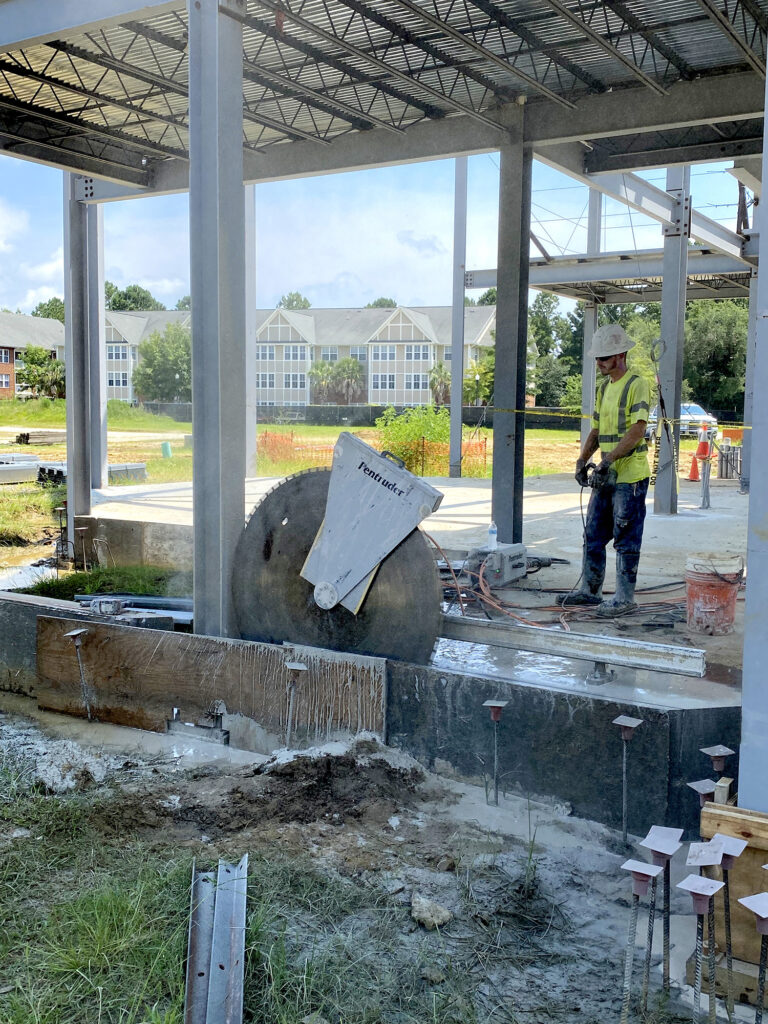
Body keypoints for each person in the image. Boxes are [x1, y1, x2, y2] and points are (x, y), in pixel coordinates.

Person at [559, 323, 651, 617]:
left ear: (620, 355)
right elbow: (597, 429)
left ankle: (625, 599)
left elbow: (637, 430)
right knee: (594, 534)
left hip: (630, 475)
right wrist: (582, 459)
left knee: (626, 537)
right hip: (606, 473)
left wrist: (608, 460)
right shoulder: (603, 387)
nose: (598, 363)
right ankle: (591, 590)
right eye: (597, 358)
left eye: (604, 358)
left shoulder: (638, 383)